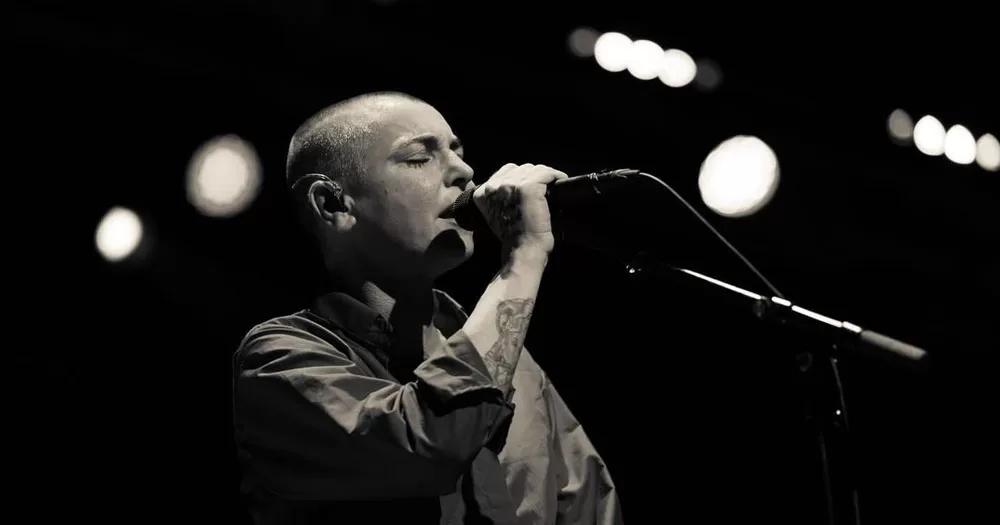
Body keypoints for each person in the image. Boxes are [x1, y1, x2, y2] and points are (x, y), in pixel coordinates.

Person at [231, 91, 622, 524]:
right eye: (420, 158)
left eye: (457, 151)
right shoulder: (279, 359)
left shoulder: (515, 364)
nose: (465, 171)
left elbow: (590, 507)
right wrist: (523, 259)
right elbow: (429, 443)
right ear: (333, 203)